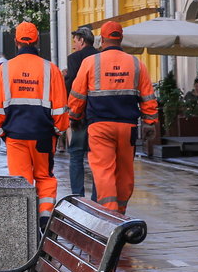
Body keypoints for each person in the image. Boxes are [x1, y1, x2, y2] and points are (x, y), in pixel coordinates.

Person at [68, 21, 158, 214]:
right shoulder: (136, 64)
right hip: (128, 128)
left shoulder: (91, 62)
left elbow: (77, 94)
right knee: (125, 171)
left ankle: (109, 215)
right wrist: (150, 123)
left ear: (102, 40)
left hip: (100, 126)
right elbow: (148, 96)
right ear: (121, 39)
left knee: (103, 171)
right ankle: (121, 212)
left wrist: (74, 117)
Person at [0, 22, 69, 230]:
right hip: (43, 135)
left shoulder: (5, 69)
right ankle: (44, 216)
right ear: (37, 42)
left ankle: (23, 224)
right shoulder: (50, 69)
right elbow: (60, 109)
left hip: (15, 135)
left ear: (16, 42)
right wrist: (58, 131)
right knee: (44, 177)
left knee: (21, 181)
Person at [65, 26, 99, 196]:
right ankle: (96, 198)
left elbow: (72, 84)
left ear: (81, 40)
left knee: (76, 154)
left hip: (80, 115)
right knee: (98, 158)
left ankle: (78, 195)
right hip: (98, 115)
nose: (74, 45)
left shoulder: (75, 58)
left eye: (75, 41)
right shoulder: (101, 58)